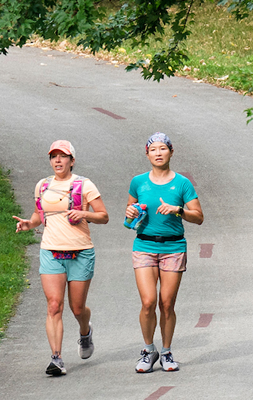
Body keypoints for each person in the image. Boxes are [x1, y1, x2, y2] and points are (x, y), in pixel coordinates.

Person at [12, 140, 108, 376]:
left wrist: (85, 213)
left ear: (71, 161)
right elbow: (38, 214)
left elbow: (103, 216)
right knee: (54, 305)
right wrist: (29, 224)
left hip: (80, 252)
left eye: (62, 156)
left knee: (77, 308)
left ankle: (85, 332)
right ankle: (56, 358)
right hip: (51, 251)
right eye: (53, 156)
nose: (57, 160)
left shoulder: (84, 185)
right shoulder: (42, 186)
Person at [124, 132, 202, 373]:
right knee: (148, 302)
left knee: (167, 304)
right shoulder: (138, 182)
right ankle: (148, 350)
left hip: (173, 247)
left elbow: (198, 217)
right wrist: (131, 213)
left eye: (163, 149)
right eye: (153, 149)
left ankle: (166, 352)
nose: (158, 153)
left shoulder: (182, 183)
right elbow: (130, 211)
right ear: (146, 153)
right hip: (145, 245)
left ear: (171, 151)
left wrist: (178, 210)